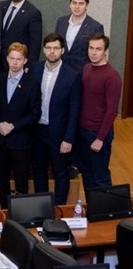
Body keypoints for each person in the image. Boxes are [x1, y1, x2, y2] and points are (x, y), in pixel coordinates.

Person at [28, 33, 81, 205]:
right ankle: (42, 208)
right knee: (39, 170)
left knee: (60, 173)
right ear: (44, 50)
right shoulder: (34, 69)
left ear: (62, 50)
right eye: (49, 48)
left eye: (56, 48)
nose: (52, 52)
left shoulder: (72, 75)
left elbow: (74, 110)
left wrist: (69, 139)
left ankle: (59, 210)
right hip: (36, 130)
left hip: (59, 134)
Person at [0, 42, 42, 208]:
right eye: (12, 58)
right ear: (6, 58)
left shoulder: (32, 83)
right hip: (1, 140)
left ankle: (21, 218)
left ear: (25, 60)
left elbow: (35, 114)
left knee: (21, 183)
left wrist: (12, 126)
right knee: (2, 181)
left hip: (21, 140)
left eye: (18, 59)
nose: (14, 62)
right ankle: (5, 214)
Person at [77, 33, 122, 192]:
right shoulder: (86, 68)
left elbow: (112, 112)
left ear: (105, 51)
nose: (94, 52)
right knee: (87, 173)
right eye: (91, 48)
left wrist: (100, 138)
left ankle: (105, 215)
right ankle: (92, 212)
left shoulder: (112, 76)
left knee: (100, 177)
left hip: (98, 134)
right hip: (82, 131)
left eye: (98, 49)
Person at [54, 0, 105, 72]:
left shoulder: (96, 27)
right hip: (61, 71)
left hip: (83, 73)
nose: (77, 7)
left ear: (87, 5)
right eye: (74, 3)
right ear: (70, 4)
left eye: (81, 3)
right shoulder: (61, 22)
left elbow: (98, 55)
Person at [0, 0, 43, 66]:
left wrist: (29, 66)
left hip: (19, 64)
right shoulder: (0, 7)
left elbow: (35, 44)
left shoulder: (33, 13)